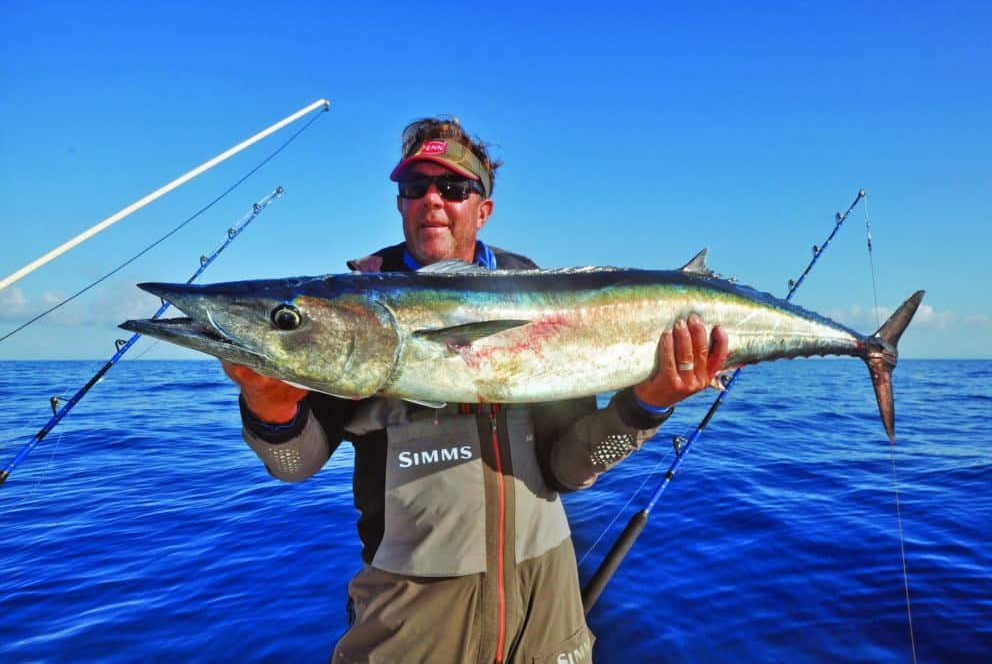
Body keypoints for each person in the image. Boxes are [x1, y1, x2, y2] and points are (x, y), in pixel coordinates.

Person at [221, 116, 728, 664]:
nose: (432, 200)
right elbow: (293, 464)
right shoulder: (350, 313)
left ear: (482, 209)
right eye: (415, 187)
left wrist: (648, 404)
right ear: (399, 204)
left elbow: (569, 470)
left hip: (546, 612)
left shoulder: (547, 304)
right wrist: (268, 404)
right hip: (410, 623)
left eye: (454, 187)